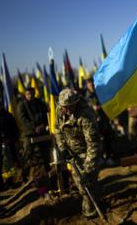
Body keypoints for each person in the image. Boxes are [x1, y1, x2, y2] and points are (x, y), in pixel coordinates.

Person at [54, 88, 101, 218]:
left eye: (70, 106)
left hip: (88, 151)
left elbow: (93, 144)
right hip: (72, 152)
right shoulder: (60, 110)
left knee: (88, 181)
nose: (67, 110)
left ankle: (91, 211)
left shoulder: (86, 116)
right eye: (65, 107)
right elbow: (57, 129)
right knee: (80, 185)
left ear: (76, 103)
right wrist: (62, 148)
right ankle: (91, 205)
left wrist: (87, 170)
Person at [17, 87, 51, 183]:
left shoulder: (40, 103)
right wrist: (34, 128)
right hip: (29, 133)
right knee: (28, 154)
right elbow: (23, 120)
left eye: (32, 93)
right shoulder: (21, 105)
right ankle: (24, 176)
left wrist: (43, 125)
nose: (30, 95)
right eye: (28, 94)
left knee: (46, 153)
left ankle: (49, 173)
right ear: (25, 94)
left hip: (42, 131)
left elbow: (46, 115)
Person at [84, 77, 117, 166]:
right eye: (89, 84)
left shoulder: (98, 93)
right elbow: (88, 108)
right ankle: (101, 158)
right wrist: (93, 107)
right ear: (87, 85)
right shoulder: (87, 97)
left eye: (92, 84)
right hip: (94, 121)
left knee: (107, 137)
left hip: (103, 119)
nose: (91, 86)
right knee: (98, 140)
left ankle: (109, 157)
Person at [0, 98, 20, 181]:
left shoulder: (8, 115)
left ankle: (13, 180)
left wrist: (11, 139)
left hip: (10, 143)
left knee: (12, 163)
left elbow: (15, 128)